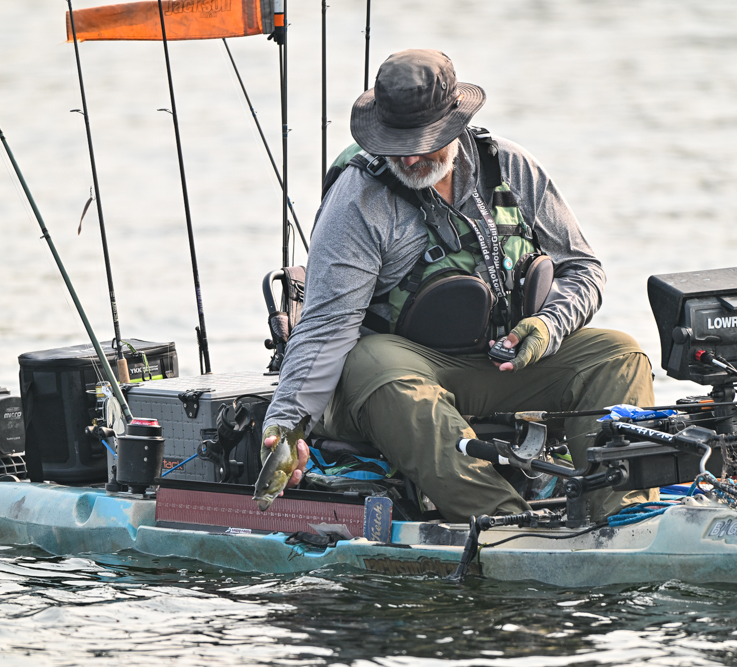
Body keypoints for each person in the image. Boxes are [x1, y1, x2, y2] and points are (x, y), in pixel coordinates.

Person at [261, 49, 656, 523]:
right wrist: (284, 427)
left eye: (422, 142)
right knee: (375, 364)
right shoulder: (357, 201)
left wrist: (549, 326)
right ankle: (505, 521)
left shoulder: (511, 166)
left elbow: (583, 268)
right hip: (399, 375)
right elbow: (326, 328)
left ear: (454, 122)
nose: (409, 156)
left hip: (504, 363)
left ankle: (621, 518)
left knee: (619, 354)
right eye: (394, 142)